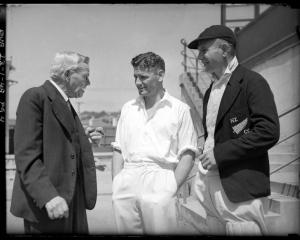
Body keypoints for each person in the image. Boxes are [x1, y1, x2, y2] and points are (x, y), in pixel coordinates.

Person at [187, 25, 280, 235]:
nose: (199, 57)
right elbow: (216, 132)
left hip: (238, 187)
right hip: (208, 185)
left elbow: (268, 131)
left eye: (204, 50)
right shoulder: (212, 89)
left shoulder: (253, 82)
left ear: (225, 50)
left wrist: (219, 154)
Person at [10, 51, 103, 234]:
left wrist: (84, 141)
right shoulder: (35, 97)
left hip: (74, 204)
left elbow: (62, 146)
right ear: (68, 74)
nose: (89, 82)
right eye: (86, 76)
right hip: (49, 206)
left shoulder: (66, 104)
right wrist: (48, 196)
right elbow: (26, 155)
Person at [111, 52, 198, 235]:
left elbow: (188, 153)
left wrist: (171, 188)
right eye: (135, 77)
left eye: (143, 77)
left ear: (160, 75)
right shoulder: (128, 108)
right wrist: (117, 182)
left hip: (161, 178)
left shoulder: (179, 109)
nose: (137, 82)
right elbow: (118, 149)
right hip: (127, 179)